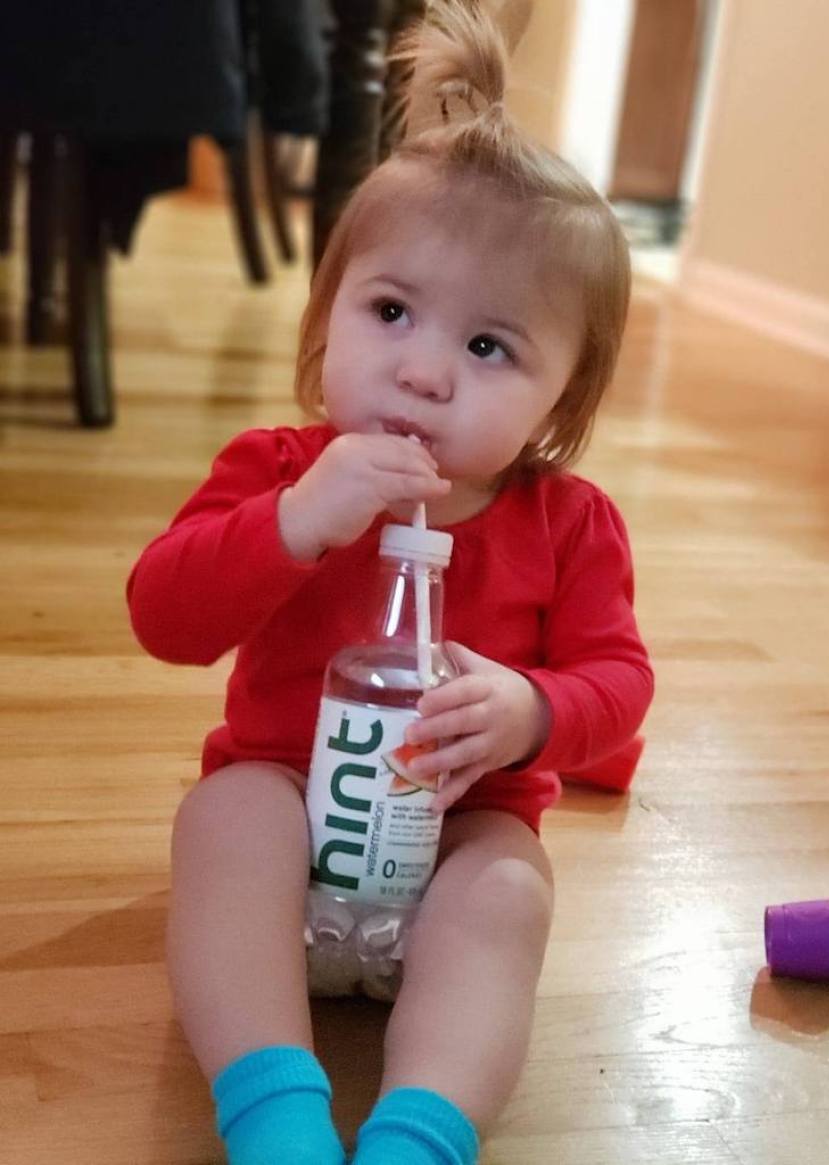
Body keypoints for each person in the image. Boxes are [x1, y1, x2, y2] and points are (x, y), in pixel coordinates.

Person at [127, 3, 654, 1162]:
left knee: (510, 889)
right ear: (327, 318)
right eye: (391, 312)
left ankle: (422, 1132)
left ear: (560, 405)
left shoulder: (570, 524)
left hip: (453, 854)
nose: (421, 371)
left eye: (487, 347)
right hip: (287, 849)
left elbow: (620, 681)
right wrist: (292, 524)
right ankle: (275, 1113)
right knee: (224, 814)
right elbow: (160, 614)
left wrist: (533, 711)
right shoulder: (277, 470)